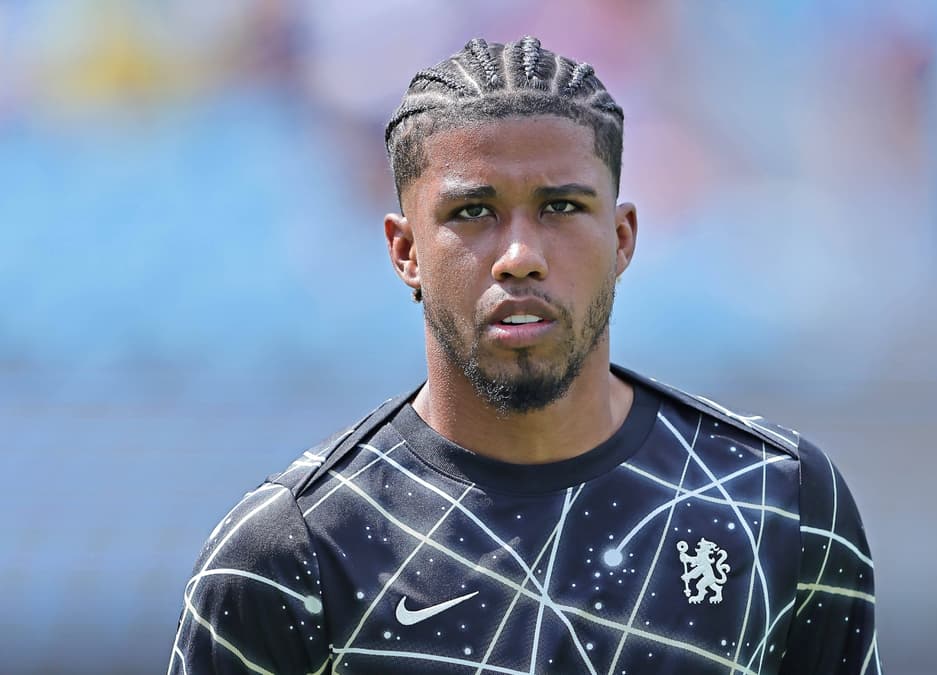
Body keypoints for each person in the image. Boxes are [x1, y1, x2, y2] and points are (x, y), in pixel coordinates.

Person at [169, 36, 880, 675]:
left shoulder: (777, 500)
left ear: (622, 238)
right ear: (405, 250)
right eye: (472, 212)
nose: (520, 255)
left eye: (561, 207)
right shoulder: (289, 552)